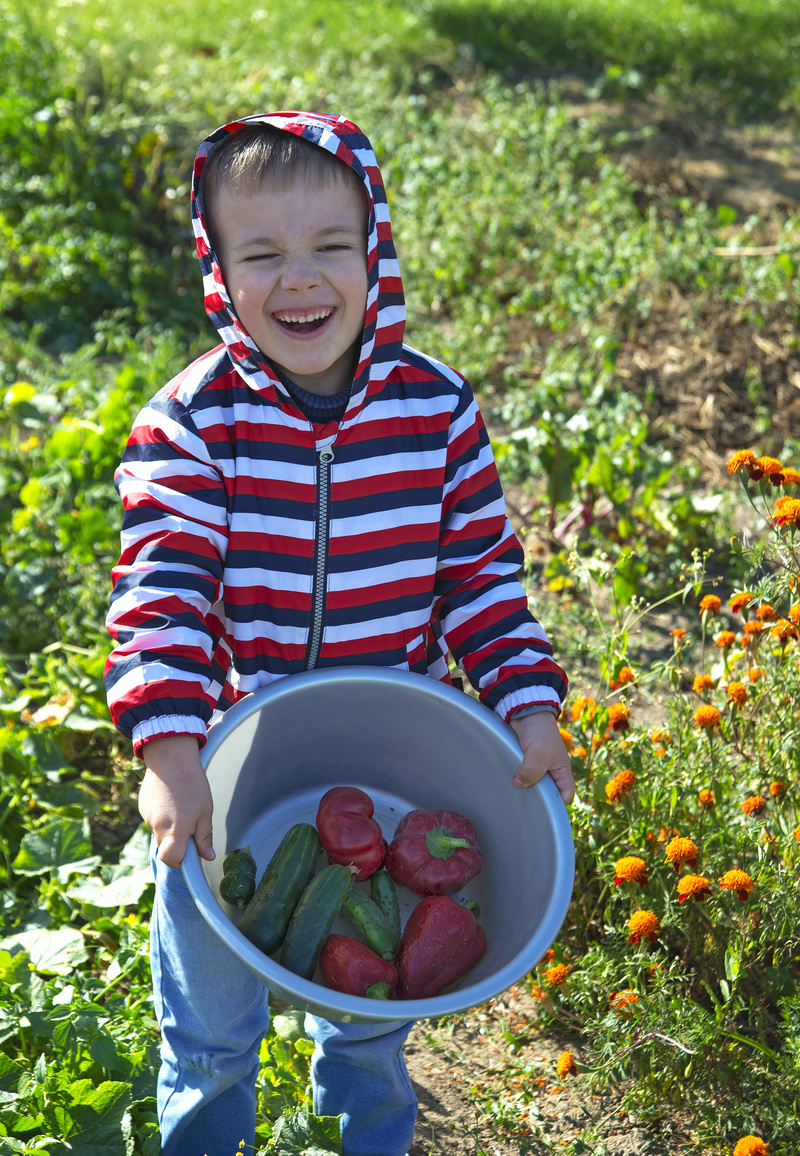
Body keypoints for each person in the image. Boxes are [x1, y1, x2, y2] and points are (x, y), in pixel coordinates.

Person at [104, 110, 573, 1156]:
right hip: (230, 771)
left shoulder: (436, 412)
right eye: (262, 255)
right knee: (207, 1032)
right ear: (218, 271)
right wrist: (170, 746)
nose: (302, 280)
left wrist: (528, 704)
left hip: (386, 769)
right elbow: (164, 588)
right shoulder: (194, 424)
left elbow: (480, 579)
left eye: (330, 246)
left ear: (376, 253)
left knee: (369, 1019)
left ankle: (365, 1131)